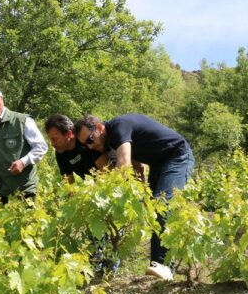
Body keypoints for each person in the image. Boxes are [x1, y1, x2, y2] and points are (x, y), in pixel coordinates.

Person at [74, 114, 195, 281]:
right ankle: (158, 267)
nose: (90, 146)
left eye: (90, 140)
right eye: (85, 144)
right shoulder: (113, 139)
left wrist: (103, 196)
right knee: (155, 211)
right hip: (159, 163)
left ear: (100, 128)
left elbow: (124, 164)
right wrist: (141, 193)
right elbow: (137, 167)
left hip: (177, 156)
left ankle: (164, 266)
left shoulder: (117, 128)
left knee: (163, 206)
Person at [44, 114, 110, 182]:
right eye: (50, 140)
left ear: (69, 134)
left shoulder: (88, 141)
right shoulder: (60, 153)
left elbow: (108, 173)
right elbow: (68, 185)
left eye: (54, 139)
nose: (52, 144)